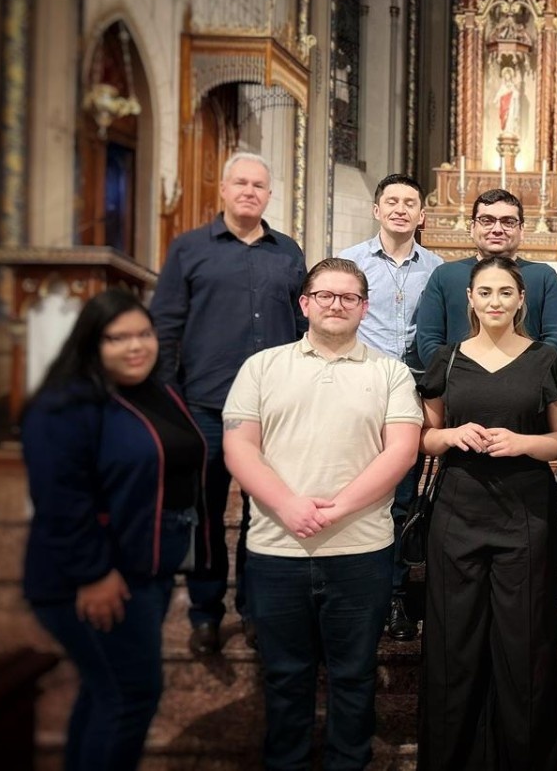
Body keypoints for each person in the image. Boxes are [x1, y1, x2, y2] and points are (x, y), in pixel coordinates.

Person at [223, 257, 422, 770]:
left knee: (354, 675)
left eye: (349, 297)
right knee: (286, 676)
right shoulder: (262, 367)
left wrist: (340, 508)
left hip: (360, 550)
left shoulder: (390, 372)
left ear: (364, 307)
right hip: (276, 549)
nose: (337, 305)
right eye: (326, 296)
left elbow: (401, 451)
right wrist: (289, 505)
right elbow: (240, 448)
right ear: (305, 303)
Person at [23, 289, 205, 771]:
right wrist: (92, 573)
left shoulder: (157, 390)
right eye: (117, 338)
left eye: (143, 333)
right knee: (131, 695)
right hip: (96, 576)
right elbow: (62, 502)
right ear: (90, 343)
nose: (135, 347)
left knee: (107, 691)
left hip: (146, 565)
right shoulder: (66, 406)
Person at [417, 256, 557, 771]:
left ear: (521, 299)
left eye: (505, 292)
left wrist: (523, 442)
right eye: (484, 292)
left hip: (525, 514)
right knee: (452, 641)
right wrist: (453, 435)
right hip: (458, 510)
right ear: (469, 298)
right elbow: (426, 436)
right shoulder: (448, 357)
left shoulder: (544, 359)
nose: (494, 302)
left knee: (524, 642)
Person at [150, 151, 307, 656]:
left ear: (269, 194)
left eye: (259, 185)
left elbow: (303, 327)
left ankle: (258, 611)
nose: (249, 191)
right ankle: (204, 612)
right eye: (240, 182)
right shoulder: (189, 249)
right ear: (222, 188)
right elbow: (165, 327)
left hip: (276, 411)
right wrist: (169, 398)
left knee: (268, 513)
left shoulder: (288, 252)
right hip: (205, 407)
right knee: (206, 513)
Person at [339, 173, 443, 641]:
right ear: (377, 210)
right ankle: (353, 593)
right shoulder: (350, 264)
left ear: (422, 215)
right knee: (355, 492)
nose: (401, 209)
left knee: (401, 500)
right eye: (392, 201)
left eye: (410, 203)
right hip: (358, 390)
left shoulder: (438, 270)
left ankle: (396, 597)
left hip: (413, 395)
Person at [415, 188, 557, 367]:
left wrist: (520, 375)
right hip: (457, 387)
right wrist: (468, 376)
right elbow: (429, 342)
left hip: (528, 386)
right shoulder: (444, 275)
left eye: (508, 222)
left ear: (522, 230)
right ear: (472, 228)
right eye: (486, 221)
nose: (497, 229)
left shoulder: (543, 276)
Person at [496, 67, 520, 136]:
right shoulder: (503, 86)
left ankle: (510, 130)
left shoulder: (512, 86)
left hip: (511, 104)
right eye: (506, 75)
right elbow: (499, 94)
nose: (507, 76)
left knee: (510, 117)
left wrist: (514, 93)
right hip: (504, 105)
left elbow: (515, 94)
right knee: (505, 118)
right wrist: (497, 99)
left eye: (508, 75)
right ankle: (505, 130)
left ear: (510, 76)